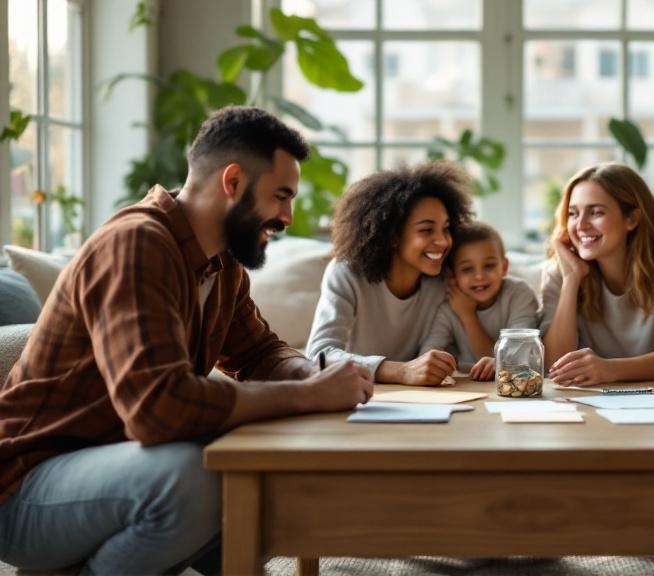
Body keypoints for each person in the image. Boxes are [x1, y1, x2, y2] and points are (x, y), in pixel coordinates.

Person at [0, 106, 374, 574]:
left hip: (113, 469)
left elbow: (259, 352)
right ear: (233, 182)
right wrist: (305, 395)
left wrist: (316, 373)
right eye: (281, 196)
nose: (289, 217)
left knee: (243, 499)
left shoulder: (222, 264)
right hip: (26, 490)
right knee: (192, 477)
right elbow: (157, 409)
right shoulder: (136, 244)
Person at [306, 162, 475, 385]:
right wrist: (400, 371)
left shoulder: (445, 281)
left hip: (424, 397)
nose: (443, 241)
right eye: (426, 230)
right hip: (361, 395)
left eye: (446, 228)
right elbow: (319, 355)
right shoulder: (347, 272)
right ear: (393, 236)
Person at [541, 162, 654, 386]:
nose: (580, 225)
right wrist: (571, 280)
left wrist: (610, 369)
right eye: (573, 214)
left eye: (596, 212)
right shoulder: (562, 270)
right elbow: (552, 364)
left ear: (631, 219)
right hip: (584, 401)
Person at [419, 221, 539, 381]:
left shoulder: (519, 294)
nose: (479, 276)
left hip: (511, 384)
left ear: (504, 267)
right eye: (468, 269)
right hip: (467, 385)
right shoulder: (449, 306)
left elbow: (520, 355)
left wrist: (468, 316)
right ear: (452, 275)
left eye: (489, 266)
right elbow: (428, 354)